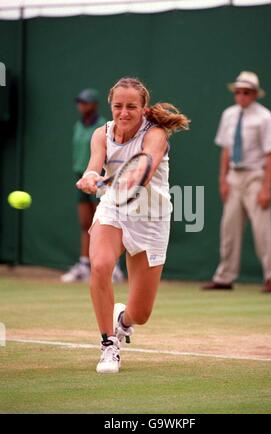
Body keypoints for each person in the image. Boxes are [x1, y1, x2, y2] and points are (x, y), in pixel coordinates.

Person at [76, 77, 190, 373]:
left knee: (141, 314)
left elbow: (143, 171)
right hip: (114, 209)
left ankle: (123, 322)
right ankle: (108, 345)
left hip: (152, 219)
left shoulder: (156, 135)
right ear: (110, 107)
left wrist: (108, 179)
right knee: (99, 264)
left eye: (131, 106)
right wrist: (90, 177)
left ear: (143, 108)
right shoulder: (101, 134)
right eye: (118, 106)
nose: (124, 112)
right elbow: (93, 164)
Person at [203, 71, 271, 293]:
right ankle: (224, 277)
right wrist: (223, 180)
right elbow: (226, 150)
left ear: (255, 94)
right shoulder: (229, 114)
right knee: (229, 227)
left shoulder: (265, 117)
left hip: (256, 176)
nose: (241, 96)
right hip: (234, 176)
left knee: (262, 229)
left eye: (246, 92)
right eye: (238, 92)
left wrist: (267, 187)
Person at [61, 88, 124, 283]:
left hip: (101, 180)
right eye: (79, 102)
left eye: (85, 102)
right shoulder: (78, 126)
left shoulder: (104, 128)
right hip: (82, 178)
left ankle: (114, 268)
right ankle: (84, 264)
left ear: (95, 105)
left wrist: (98, 178)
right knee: (85, 224)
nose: (81, 105)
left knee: (105, 224)